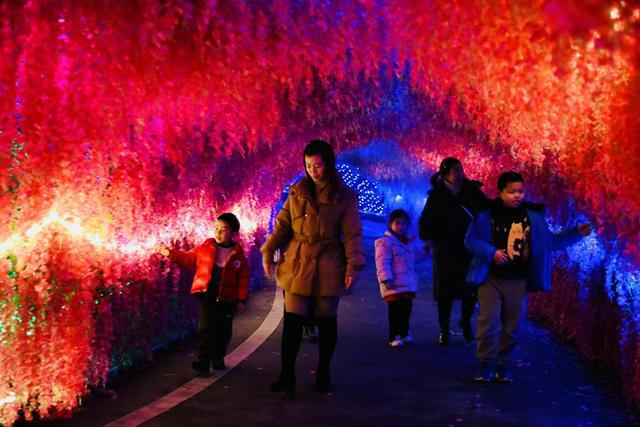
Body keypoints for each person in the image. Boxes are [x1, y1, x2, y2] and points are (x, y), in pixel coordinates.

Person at [465, 171, 592, 383]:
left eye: (520, 191)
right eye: (511, 192)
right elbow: (470, 240)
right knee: (488, 323)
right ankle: (485, 364)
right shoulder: (486, 213)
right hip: (490, 278)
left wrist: (576, 233)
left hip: (518, 280)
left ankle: (505, 366)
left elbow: (548, 243)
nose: (517, 196)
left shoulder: (533, 216)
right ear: (500, 192)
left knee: (512, 326)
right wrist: (491, 252)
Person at [262, 139, 365, 399]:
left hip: (329, 262)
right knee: (292, 321)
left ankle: (323, 370)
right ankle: (287, 374)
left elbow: (353, 234)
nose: (313, 171)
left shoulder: (345, 196)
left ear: (328, 164)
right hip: (298, 261)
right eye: (308, 166)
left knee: (326, 319)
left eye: (317, 166)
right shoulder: (296, 192)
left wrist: (354, 265)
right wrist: (268, 250)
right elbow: (283, 226)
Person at [156, 213, 250, 373]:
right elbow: (188, 258)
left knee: (224, 329)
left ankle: (218, 356)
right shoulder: (204, 249)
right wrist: (170, 253)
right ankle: (203, 360)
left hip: (227, 297)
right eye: (217, 228)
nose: (218, 232)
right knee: (205, 327)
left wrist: (241, 300)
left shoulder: (238, 255)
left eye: (224, 229)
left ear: (234, 233)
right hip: (207, 293)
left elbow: (243, 279)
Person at [418, 158, 488, 345]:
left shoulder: (472, 191)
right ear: (445, 174)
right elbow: (426, 220)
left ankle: (465, 322)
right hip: (445, 249)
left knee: (469, 289)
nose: (460, 173)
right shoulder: (437, 195)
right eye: (455, 171)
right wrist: (429, 236)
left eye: (461, 169)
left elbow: (487, 208)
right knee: (445, 292)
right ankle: (444, 329)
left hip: (469, 246)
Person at [375, 209, 428, 348]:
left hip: (407, 283)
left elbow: (416, 258)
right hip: (392, 284)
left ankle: (404, 333)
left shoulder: (409, 242)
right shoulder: (384, 242)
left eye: (404, 223)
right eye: (397, 223)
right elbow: (382, 261)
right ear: (390, 224)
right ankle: (394, 336)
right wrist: (386, 278)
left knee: (406, 310)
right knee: (395, 311)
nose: (401, 226)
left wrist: (426, 250)